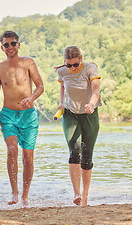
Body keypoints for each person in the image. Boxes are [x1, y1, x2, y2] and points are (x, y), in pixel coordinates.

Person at [0, 30, 44, 207]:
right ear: (2, 48)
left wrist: (31, 98)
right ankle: (14, 192)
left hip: (28, 116)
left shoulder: (28, 63)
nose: (10, 47)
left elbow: (40, 86)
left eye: (13, 43)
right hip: (8, 115)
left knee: (28, 157)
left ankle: (25, 195)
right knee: (12, 150)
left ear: (18, 45)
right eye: (6, 44)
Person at [55, 46, 101, 207]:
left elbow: (96, 90)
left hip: (89, 114)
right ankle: (76, 193)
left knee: (87, 155)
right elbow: (62, 87)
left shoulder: (90, 68)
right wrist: (61, 103)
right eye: (69, 65)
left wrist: (92, 104)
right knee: (75, 151)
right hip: (70, 114)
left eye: (75, 64)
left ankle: (86, 195)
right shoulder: (62, 72)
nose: (72, 68)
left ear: (81, 58)